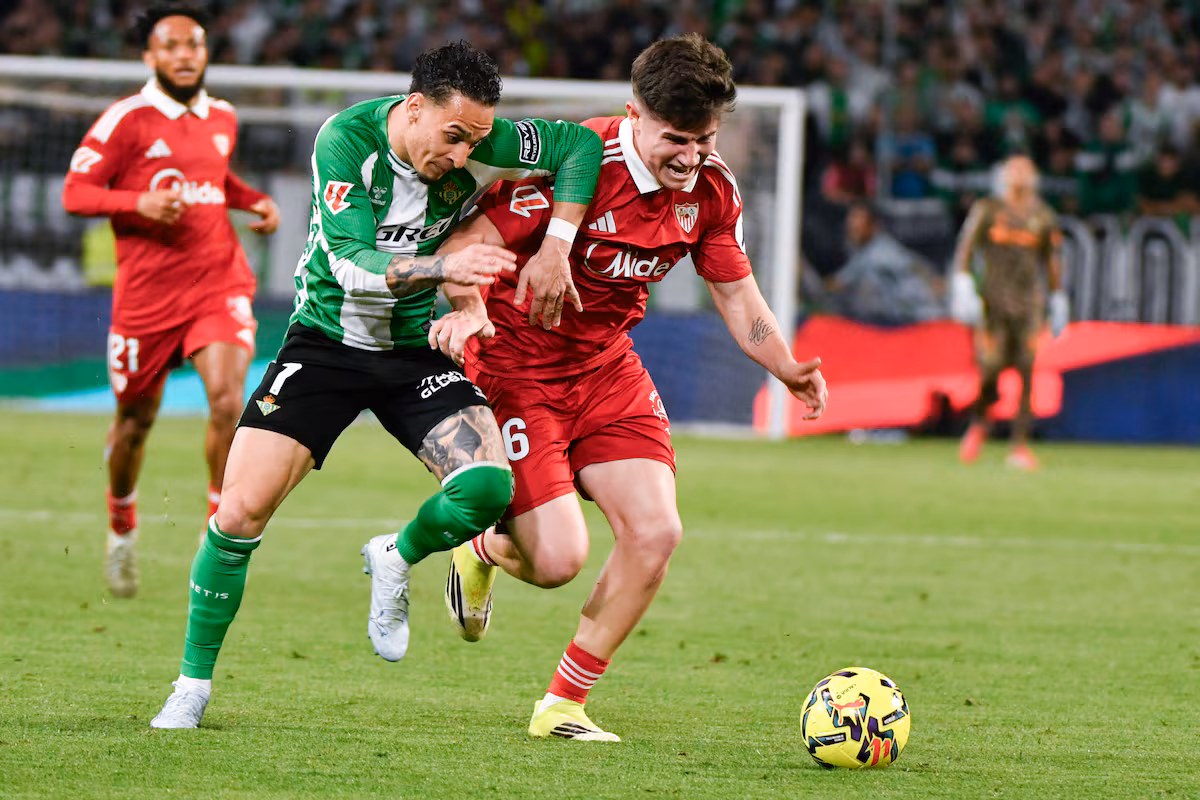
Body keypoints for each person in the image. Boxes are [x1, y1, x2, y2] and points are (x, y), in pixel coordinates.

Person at [148, 39, 604, 729]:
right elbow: (356, 265)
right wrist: (445, 273)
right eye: (452, 136)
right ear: (414, 108)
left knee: (486, 488)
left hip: (412, 352)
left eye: (475, 141)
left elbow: (577, 148)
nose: (461, 156)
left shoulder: (480, 136)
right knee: (239, 512)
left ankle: (395, 556)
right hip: (326, 345)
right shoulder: (345, 141)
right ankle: (192, 685)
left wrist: (556, 245)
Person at [434, 33, 828, 741]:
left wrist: (786, 365)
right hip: (518, 369)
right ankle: (484, 548)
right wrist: (471, 309)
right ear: (632, 116)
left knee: (656, 532)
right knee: (557, 561)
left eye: (705, 139)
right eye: (676, 139)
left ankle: (562, 705)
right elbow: (462, 246)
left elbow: (738, 300)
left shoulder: (710, 190)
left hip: (606, 369)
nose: (693, 156)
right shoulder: (575, 161)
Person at [61, 1, 280, 599]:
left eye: (195, 45)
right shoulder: (125, 120)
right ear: (150, 56)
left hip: (218, 282)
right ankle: (122, 526)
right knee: (135, 423)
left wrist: (252, 200)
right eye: (173, 46)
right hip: (146, 300)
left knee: (228, 398)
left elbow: (213, 178)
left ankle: (220, 530)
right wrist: (136, 204)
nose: (186, 55)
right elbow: (76, 192)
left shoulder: (222, 116)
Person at [950, 155, 1066, 470]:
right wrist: (962, 283)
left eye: (1025, 170)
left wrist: (1057, 298)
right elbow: (966, 249)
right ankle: (980, 421)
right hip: (993, 303)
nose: (1020, 176)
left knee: (1028, 369)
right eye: (1014, 170)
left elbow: (1051, 260)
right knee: (991, 367)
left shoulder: (1042, 216)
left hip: (1029, 304)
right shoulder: (988, 210)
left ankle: (1020, 445)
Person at [823, 201, 945, 325]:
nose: (852, 229)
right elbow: (841, 280)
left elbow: (915, 266)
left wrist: (934, 285)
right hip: (901, 319)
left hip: (920, 318)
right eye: (851, 225)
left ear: (873, 226)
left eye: (858, 226)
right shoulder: (865, 251)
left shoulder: (882, 252)